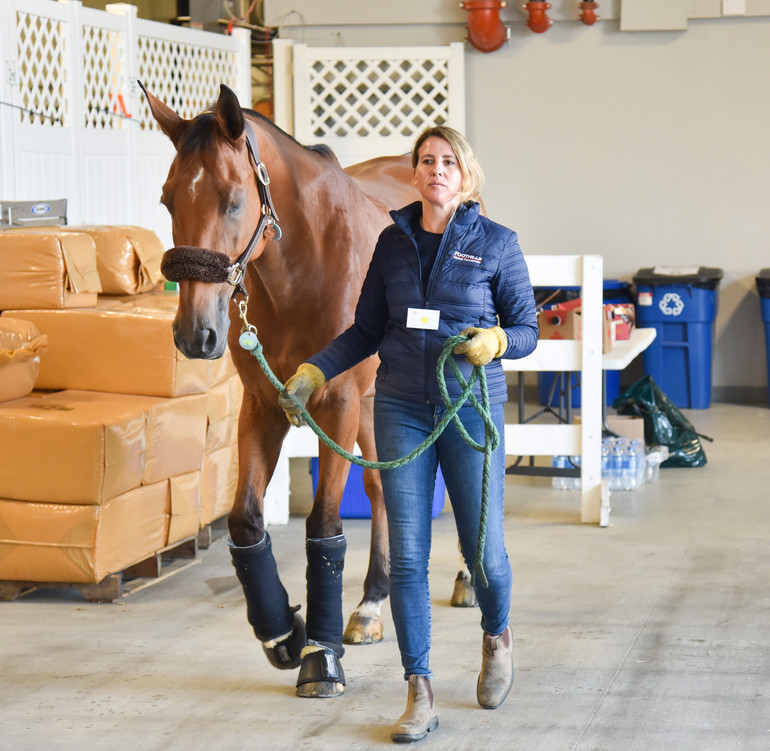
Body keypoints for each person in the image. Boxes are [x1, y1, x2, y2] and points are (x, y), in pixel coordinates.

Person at [279, 126, 538, 743]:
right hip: (400, 407)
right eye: (427, 161)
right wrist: (313, 370)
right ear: (416, 173)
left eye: (448, 161)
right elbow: (366, 328)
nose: (437, 170)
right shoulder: (393, 244)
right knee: (409, 560)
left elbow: (527, 327)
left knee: (486, 555)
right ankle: (418, 689)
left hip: (470, 409)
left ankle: (497, 634)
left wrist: (497, 341)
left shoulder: (497, 243)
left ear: (465, 174)